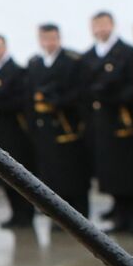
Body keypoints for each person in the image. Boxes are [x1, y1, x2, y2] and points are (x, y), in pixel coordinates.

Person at [82, 12, 133, 234]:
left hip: (124, 121)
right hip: (102, 123)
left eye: (104, 24)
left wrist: (115, 96)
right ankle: (121, 217)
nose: (100, 29)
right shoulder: (89, 57)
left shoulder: (127, 53)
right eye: (96, 25)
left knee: (130, 172)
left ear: (112, 25)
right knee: (111, 173)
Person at [25, 23, 91, 218]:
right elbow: (29, 96)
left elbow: (80, 92)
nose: (48, 43)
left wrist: (58, 102)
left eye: (52, 38)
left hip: (67, 126)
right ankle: (58, 215)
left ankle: (80, 214)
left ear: (58, 38)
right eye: (44, 39)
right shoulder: (35, 63)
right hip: (45, 129)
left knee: (73, 173)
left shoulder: (72, 61)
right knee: (51, 173)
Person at [0, 34, 36, 228]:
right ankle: (15, 214)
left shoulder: (15, 71)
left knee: (18, 175)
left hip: (14, 133)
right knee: (5, 178)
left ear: (5, 47)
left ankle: (25, 214)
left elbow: (20, 101)